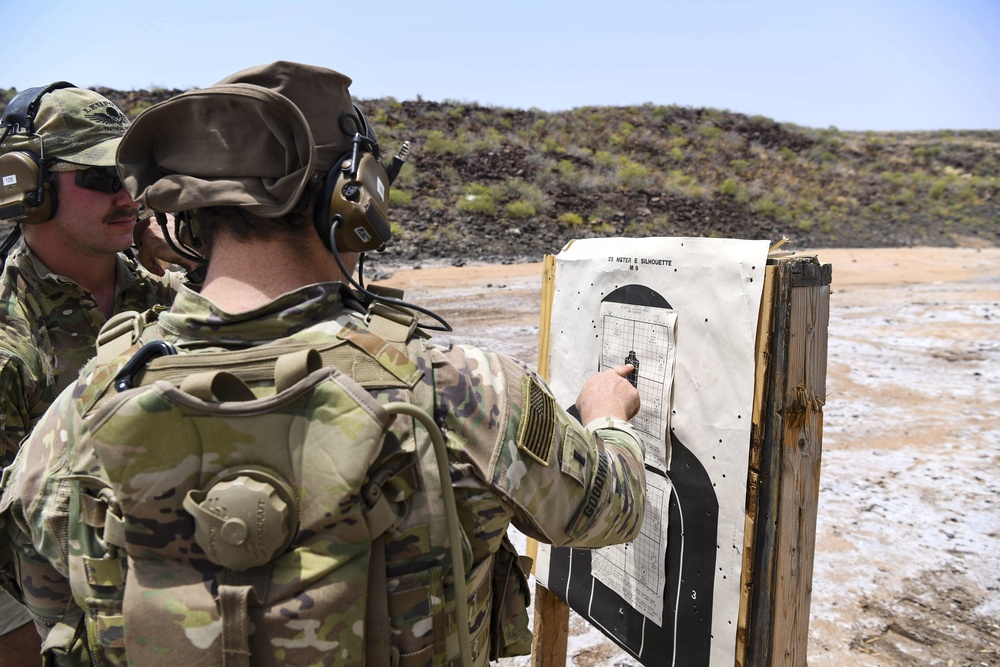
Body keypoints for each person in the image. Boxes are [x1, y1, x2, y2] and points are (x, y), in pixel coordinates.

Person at [0, 62, 645, 666]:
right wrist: (606, 415)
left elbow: (46, 595)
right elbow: (610, 507)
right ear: (352, 199)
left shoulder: (74, 418)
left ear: (192, 215)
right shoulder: (463, 389)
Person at [0, 84, 184, 664]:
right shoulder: (11, 339)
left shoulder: (167, 297)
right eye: (103, 179)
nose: (128, 197)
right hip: (47, 591)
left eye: (129, 177)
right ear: (31, 190)